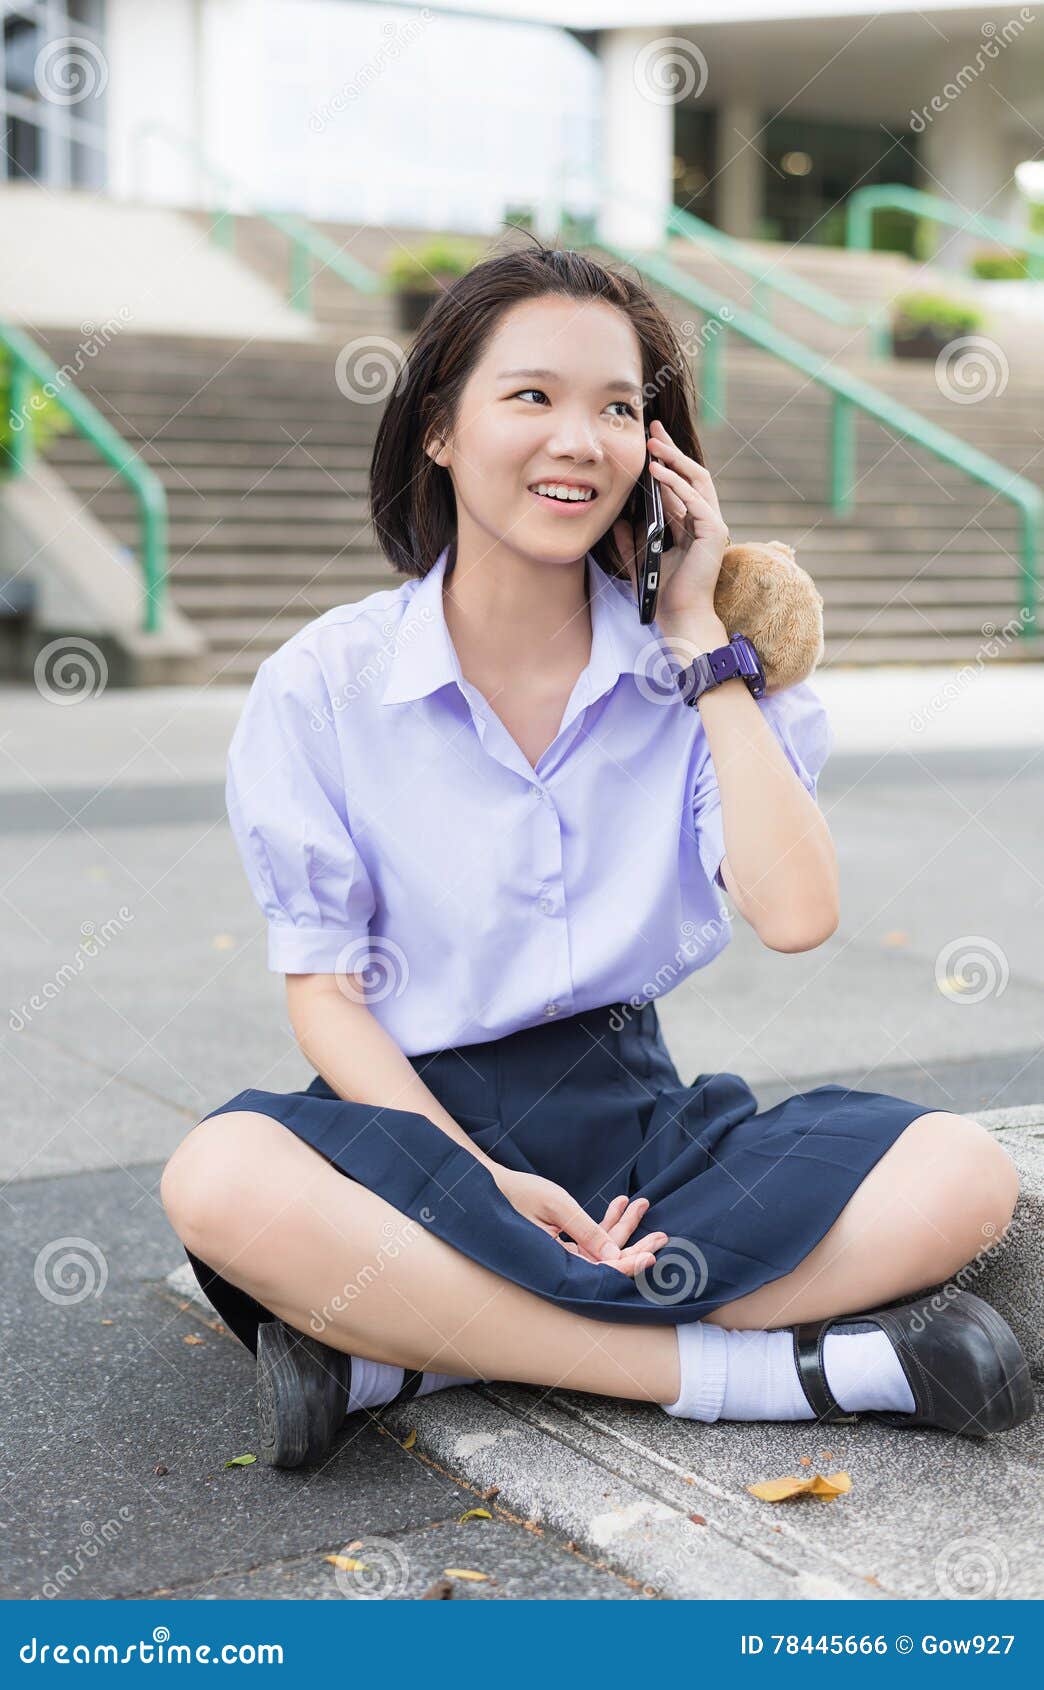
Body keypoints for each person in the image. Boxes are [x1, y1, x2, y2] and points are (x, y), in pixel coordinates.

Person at [160, 241, 1032, 1468]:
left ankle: (405, 1346)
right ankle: (771, 1375)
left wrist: (700, 640)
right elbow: (327, 995)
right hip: (414, 1122)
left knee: (961, 1175)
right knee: (221, 1176)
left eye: (620, 408)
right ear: (437, 431)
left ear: (658, 456)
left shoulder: (695, 671)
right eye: (533, 396)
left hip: (639, 1124)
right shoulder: (323, 684)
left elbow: (796, 913)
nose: (581, 438)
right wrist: (479, 1182)